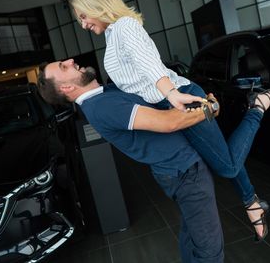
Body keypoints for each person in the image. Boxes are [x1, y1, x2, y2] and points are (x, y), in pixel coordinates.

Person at [67, 0, 270, 240]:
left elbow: (149, 60)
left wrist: (171, 94)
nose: (84, 24)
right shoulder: (113, 30)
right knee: (221, 156)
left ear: (98, 8)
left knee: (226, 167)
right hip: (168, 101)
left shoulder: (124, 28)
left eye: (84, 16)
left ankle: (257, 108)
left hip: (179, 98)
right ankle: (252, 202)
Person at [39, 59, 224, 263]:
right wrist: (209, 107)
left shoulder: (105, 93)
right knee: (209, 251)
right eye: (63, 67)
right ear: (66, 87)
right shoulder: (101, 106)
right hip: (185, 173)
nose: (70, 60)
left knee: (192, 236)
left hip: (178, 171)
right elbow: (169, 122)